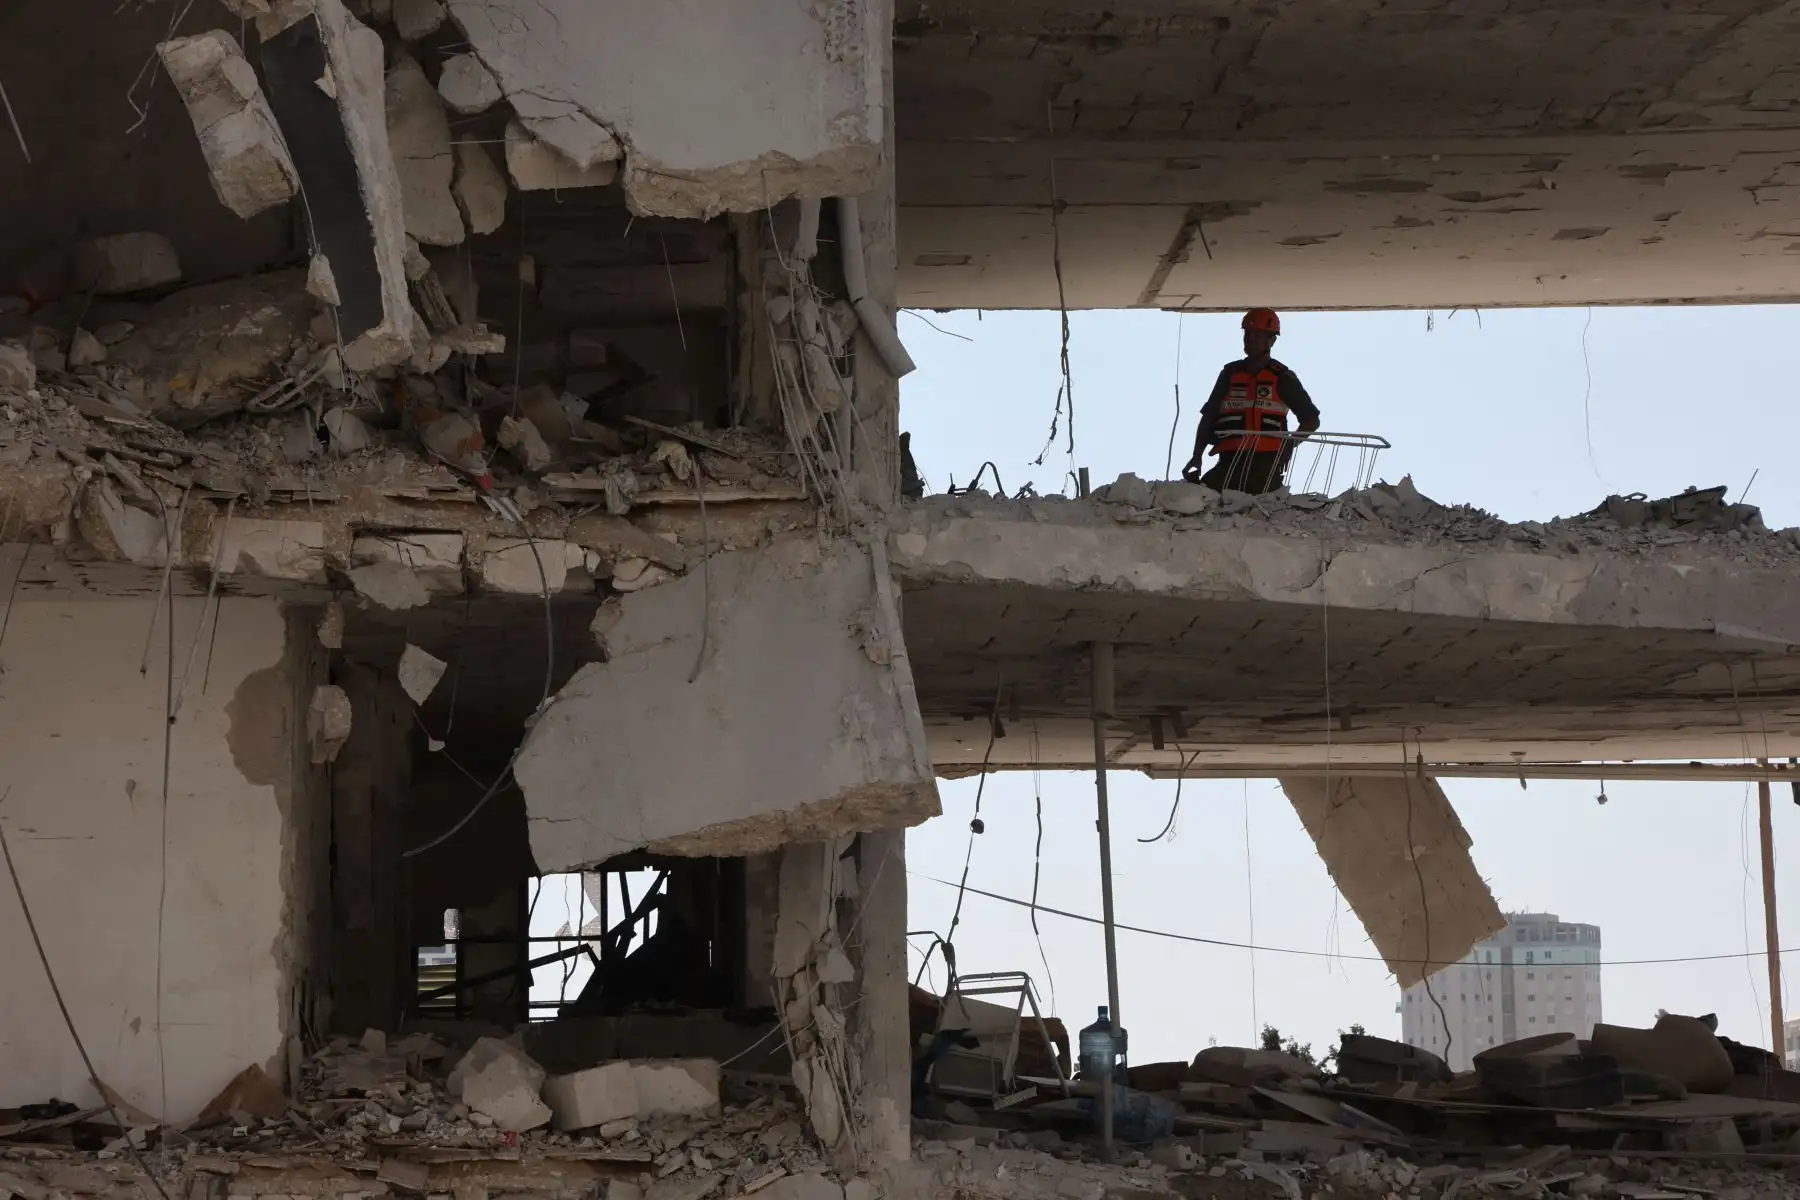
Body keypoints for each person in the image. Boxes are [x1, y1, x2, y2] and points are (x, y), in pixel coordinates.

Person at [1181, 308, 1320, 495]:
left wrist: (1289, 444)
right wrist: (1197, 455)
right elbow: (1209, 416)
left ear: (1271, 340)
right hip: (1230, 460)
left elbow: (1311, 419)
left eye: (1256, 334)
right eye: (1247, 333)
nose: (1249, 338)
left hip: (1266, 466)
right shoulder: (1230, 374)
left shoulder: (1282, 377)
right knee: (1202, 495)